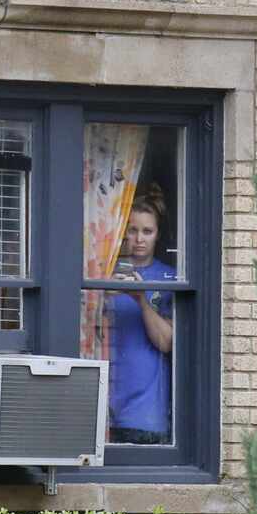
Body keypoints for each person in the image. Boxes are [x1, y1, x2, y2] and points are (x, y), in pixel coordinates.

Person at [108, 183, 175, 444]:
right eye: (133, 230)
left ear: (157, 235)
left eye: (147, 231)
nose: (139, 239)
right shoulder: (104, 270)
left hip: (146, 412)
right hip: (105, 403)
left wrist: (141, 300)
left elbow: (166, 342)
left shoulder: (168, 277)